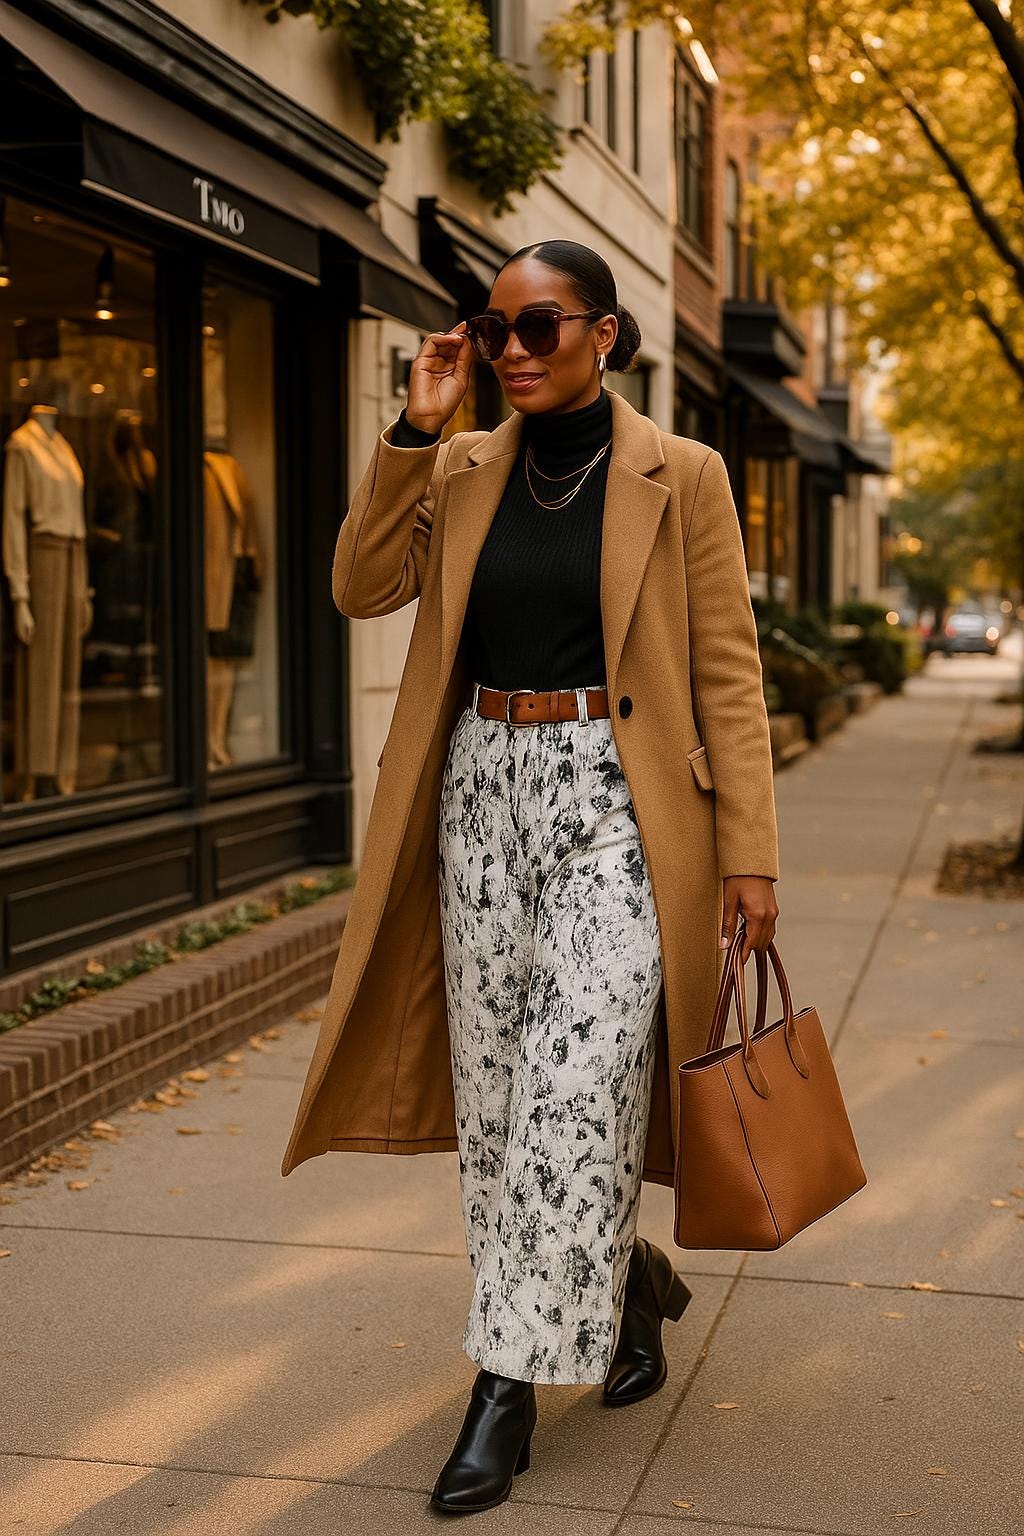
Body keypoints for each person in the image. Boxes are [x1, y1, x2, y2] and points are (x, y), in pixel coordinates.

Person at [281, 239, 780, 1516]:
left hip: (620, 801)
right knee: (505, 1103)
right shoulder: (458, 465)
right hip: (480, 793)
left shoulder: (687, 474)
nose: (510, 350)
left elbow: (727, 668)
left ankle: (503, 1385)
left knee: (576, 1084)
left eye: (539, 327)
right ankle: (632, 1284)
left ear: (604, 337)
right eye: (491, 329)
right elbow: (357, 585)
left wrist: (751, 859)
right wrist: (411, 424)